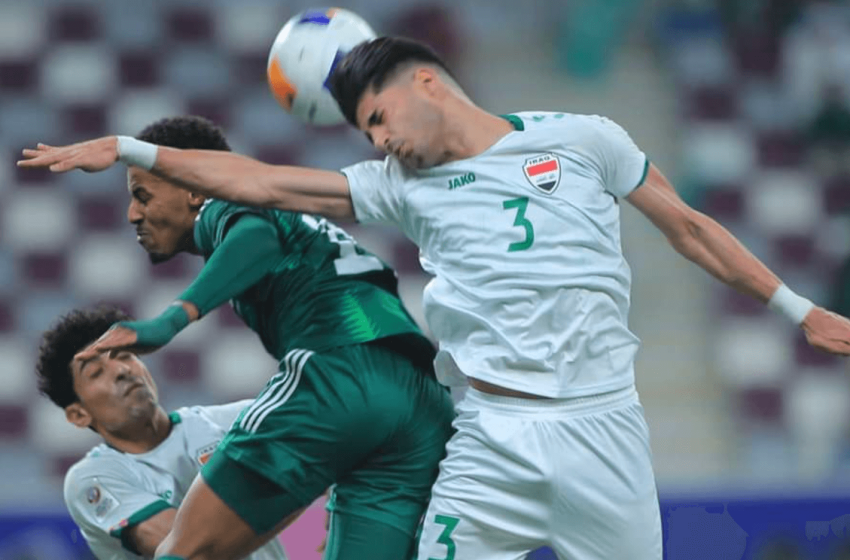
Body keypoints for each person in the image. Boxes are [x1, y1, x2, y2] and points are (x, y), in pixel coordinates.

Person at [18, 37, 850, 560]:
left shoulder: (588, 139)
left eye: (380, 118)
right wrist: (131, 149)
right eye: (367, 134)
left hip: (604, 429)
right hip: (487, 431)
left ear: (429, 83)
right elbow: (263, 183)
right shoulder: (399, 186)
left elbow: (691, 228)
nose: (380, 142)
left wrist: (796, 309)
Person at [25, 115, 455, 560]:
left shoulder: (224, 205)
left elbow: (257, 235)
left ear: (192, 188)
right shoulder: (292, 216)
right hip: (420, 399)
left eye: (141, 194)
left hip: (342, 370)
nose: (133, 213)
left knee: (184, 554)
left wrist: (170, 321)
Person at [36, 305, 288, 560]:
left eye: (124, 356)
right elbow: (192, 550)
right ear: (79, 414)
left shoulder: (233, 422)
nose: (122, 371)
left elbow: (325, 433)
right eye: (96, 373)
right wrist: (297, 488)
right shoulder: (91, 479)